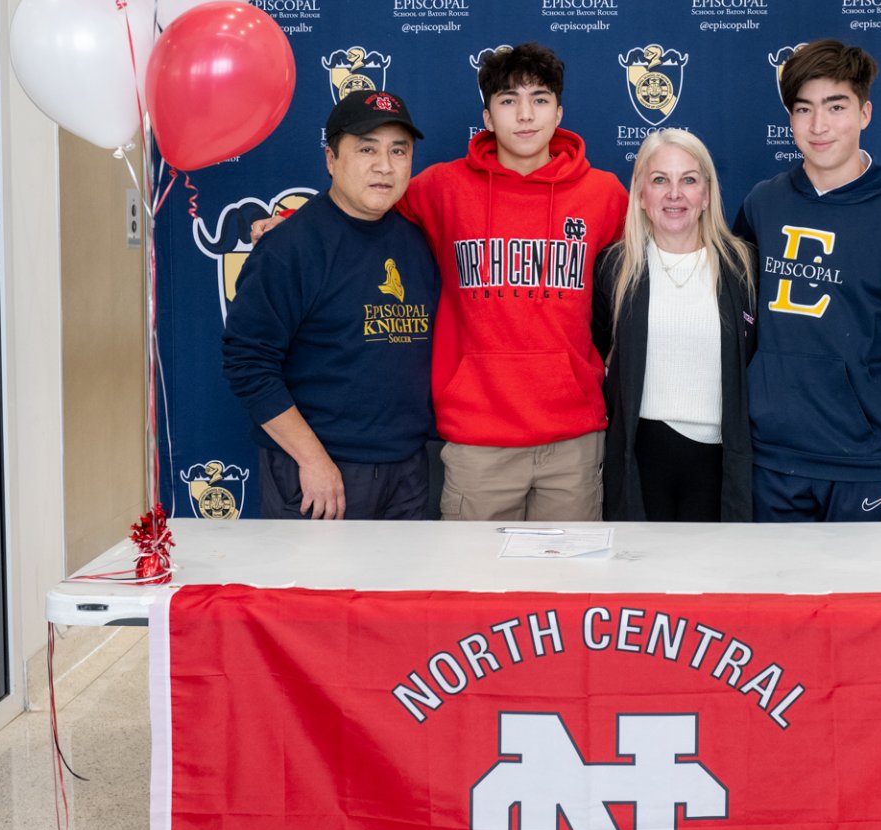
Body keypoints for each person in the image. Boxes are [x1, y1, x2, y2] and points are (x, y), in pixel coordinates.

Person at [397, 42, 628, 522]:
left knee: (564, 593)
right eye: (508, 101)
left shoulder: (603, 193)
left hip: (572, 439)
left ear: (559, 111)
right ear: (487, 116)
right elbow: (363, 207)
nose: (525, 115)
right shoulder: (442, 188)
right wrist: (291, 222)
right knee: (475, 592)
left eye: (540, 99)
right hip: (479, 441)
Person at [733, 39, 881, 523]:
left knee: (861, 600)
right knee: (777, 599)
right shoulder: (761, 205)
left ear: (865, 113)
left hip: (866, 468)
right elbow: (733, 323)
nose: (818, 126)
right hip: (771, 463)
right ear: (789, 118)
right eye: (803, 109)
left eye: (836, 107)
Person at [222, 89, 440, 520]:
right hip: (319, 475)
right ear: (330, 160)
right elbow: (247, 362)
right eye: (366, 149)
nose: (384, 165)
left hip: (408, 471)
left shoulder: (417, 240)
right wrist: (312, 460)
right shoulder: (290, 247)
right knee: (313, 589)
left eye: (399, 150)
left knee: (400, 589)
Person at [593, 129, 756, 522]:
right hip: (642, 452)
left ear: (706, 194)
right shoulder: (615, 267)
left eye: (689, 180)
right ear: (641, 195)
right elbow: (595, 355)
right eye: (660, 180)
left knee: (708, 578)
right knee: (641, 578)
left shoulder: (743, 267)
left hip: (717, 458)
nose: (674, 193)